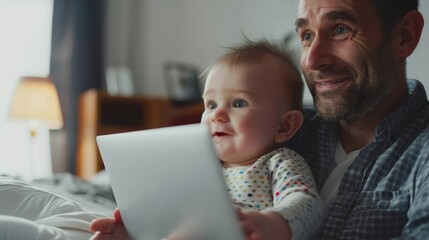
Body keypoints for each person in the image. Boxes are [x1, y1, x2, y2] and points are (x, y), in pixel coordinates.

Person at [90, 38, 323, 240]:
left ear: (284, 125)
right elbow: (169, 218)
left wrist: (271, 225)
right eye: (210, 104)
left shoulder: (279, 163)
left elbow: (306, 204)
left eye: (239, 103)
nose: (217, 115)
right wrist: (133, 231)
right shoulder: (196, 167)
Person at [288, 0, 429, 239]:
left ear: (404, 35)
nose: (313, 61)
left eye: (340, 29)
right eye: (307, 35)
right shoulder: (285, 132)